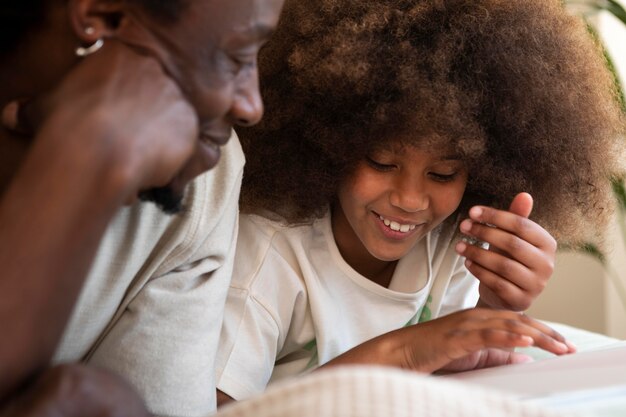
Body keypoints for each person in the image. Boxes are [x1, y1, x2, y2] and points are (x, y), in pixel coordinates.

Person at [215, 0, 625, 404]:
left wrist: (492, 308)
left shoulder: (452, 237)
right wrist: (406, 352)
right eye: (381, 162)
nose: (410, 200)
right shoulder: (267, 261)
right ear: (329, 145)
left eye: (443, 174)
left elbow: (442, 379)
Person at [0, 0, 283, 415]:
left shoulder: (203, 181)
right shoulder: (119, 146)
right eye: (237, 57)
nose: (251, 106)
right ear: (104, 16)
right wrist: (89, 151)